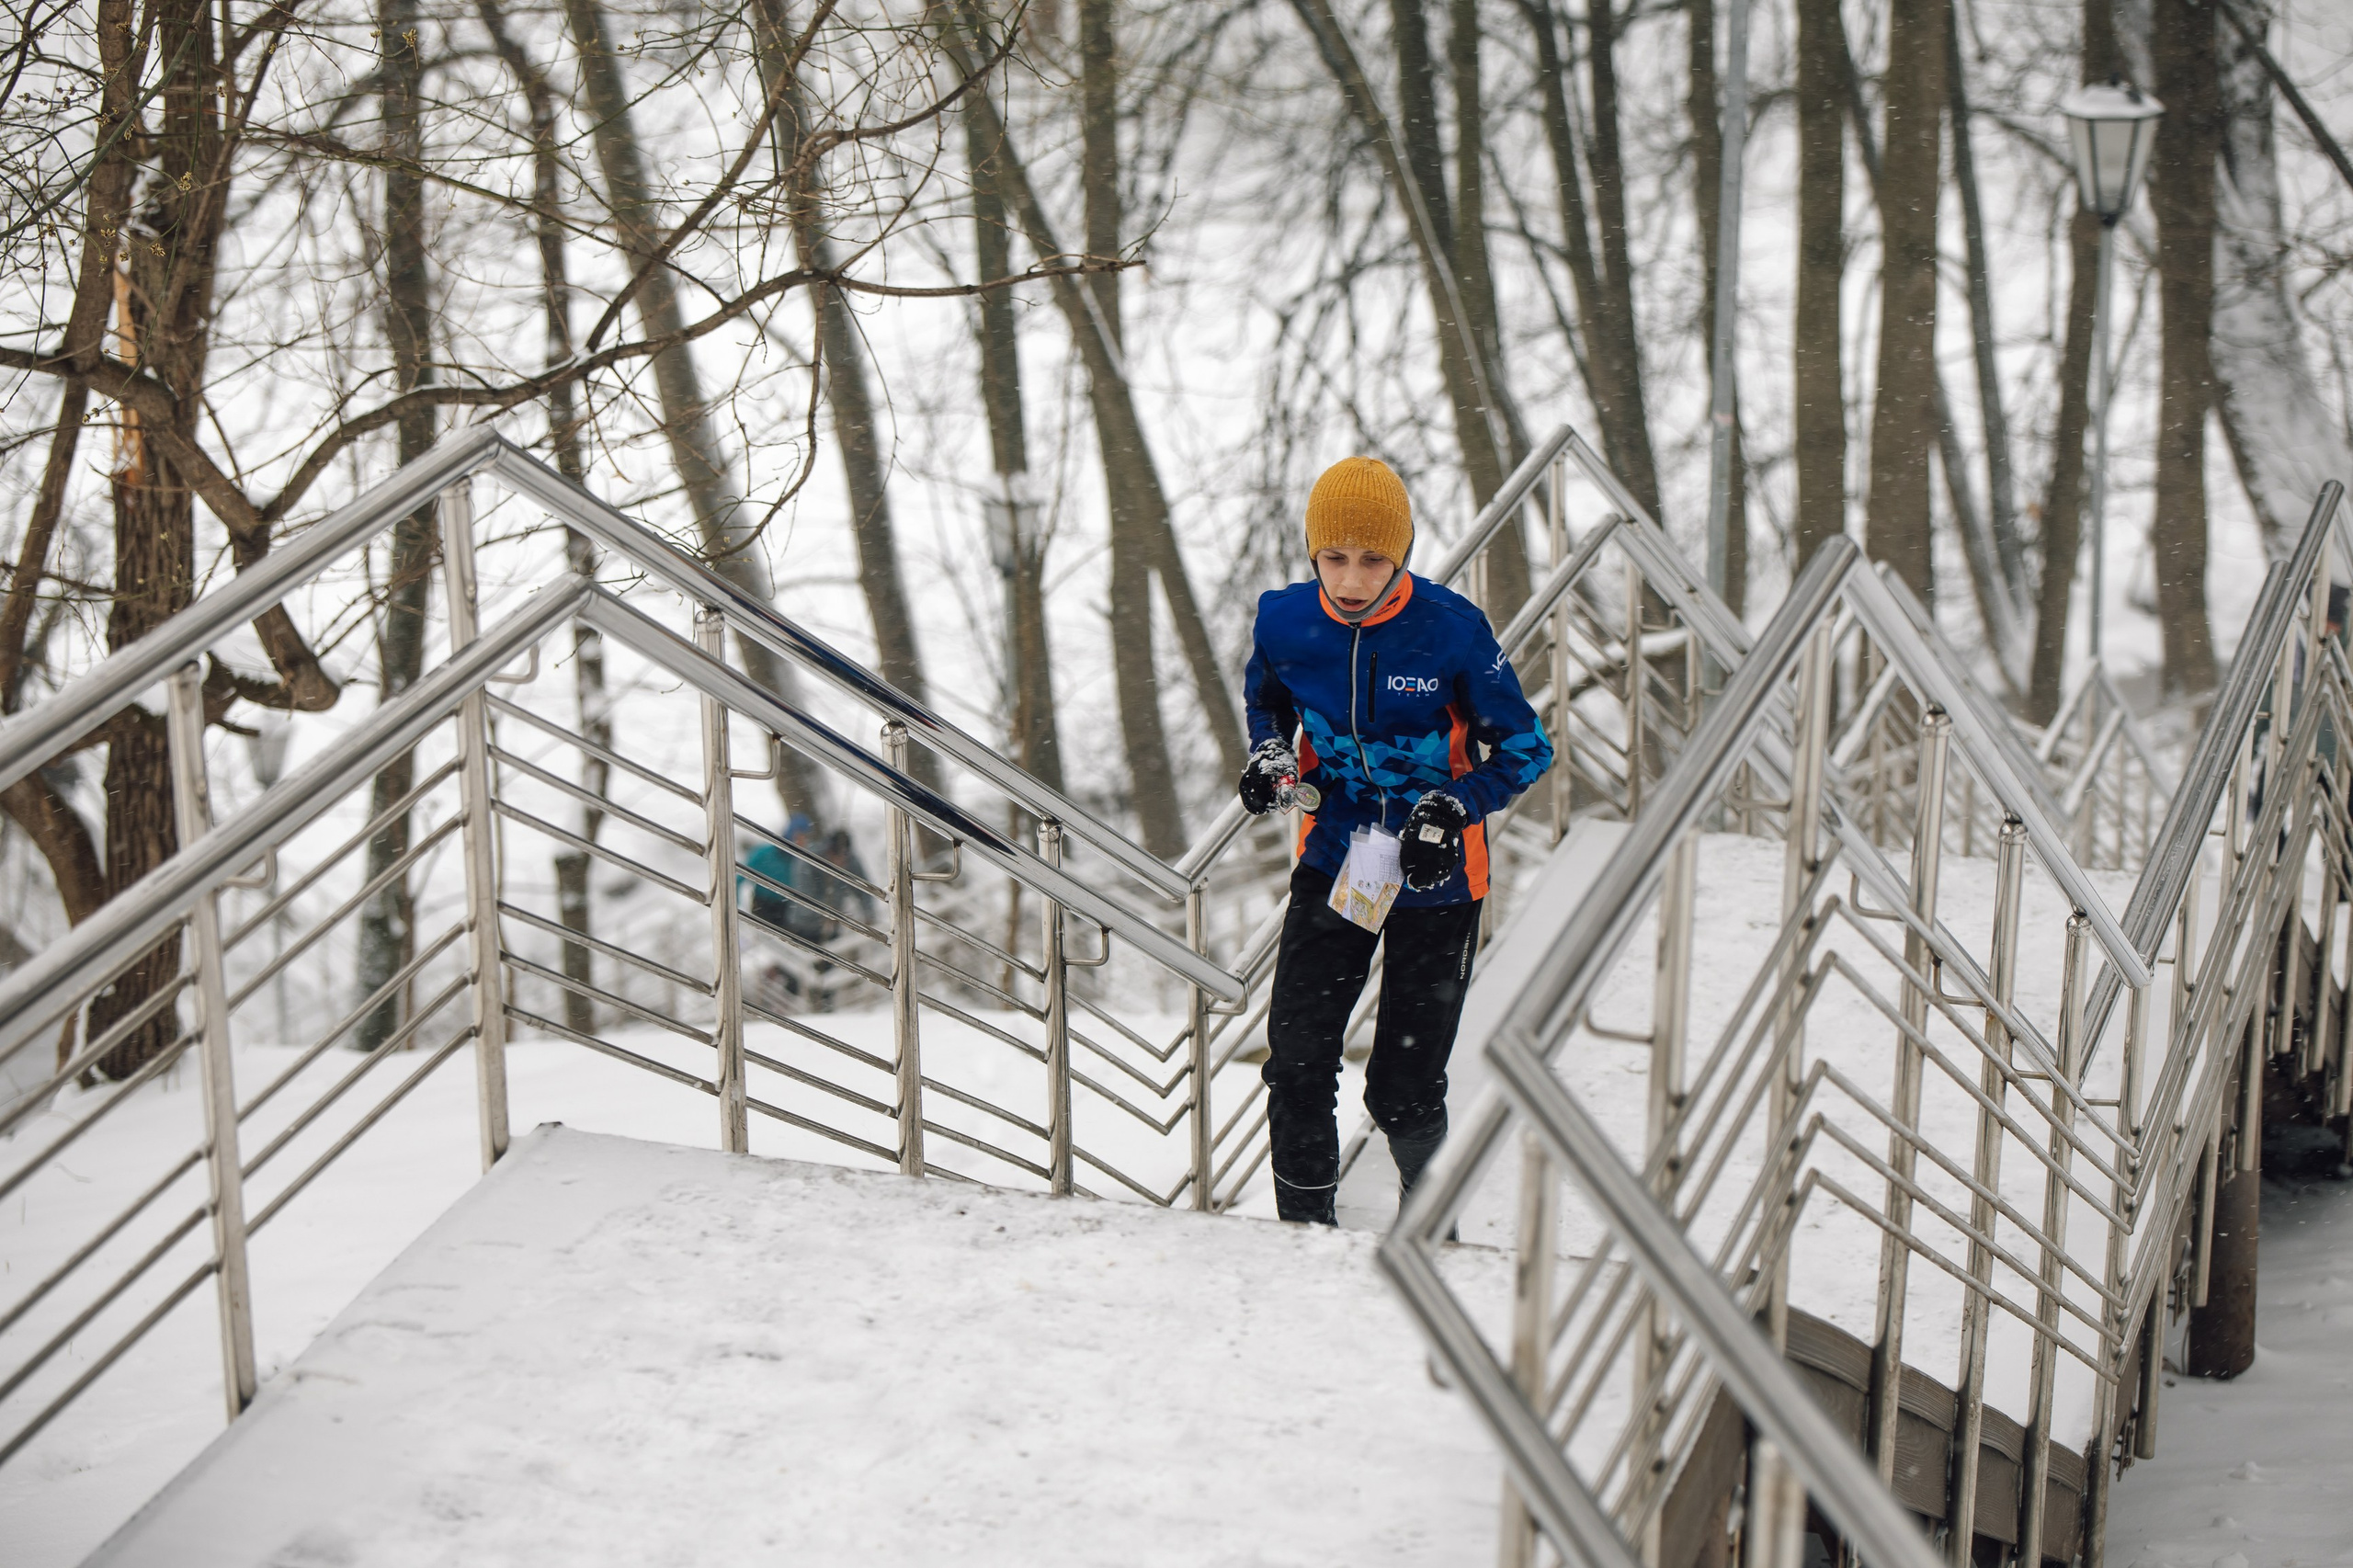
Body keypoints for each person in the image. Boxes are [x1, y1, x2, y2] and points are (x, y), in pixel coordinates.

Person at [1240, 456, 1553, 1225]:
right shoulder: (1284, 620)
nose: (1350, 580)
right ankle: (1303, 1236)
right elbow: (1265, 704)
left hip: (1439, 877)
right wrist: (1269, 754)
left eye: (1372, 559)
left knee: (1402, 1089)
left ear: (1403, 553)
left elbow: (1525, 749)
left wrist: (1455, 806)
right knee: (1299, 1061)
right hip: (1336, 853)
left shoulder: (1451, 631)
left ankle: (1429, 1224)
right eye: (1334, 558)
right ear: (1312, 553)